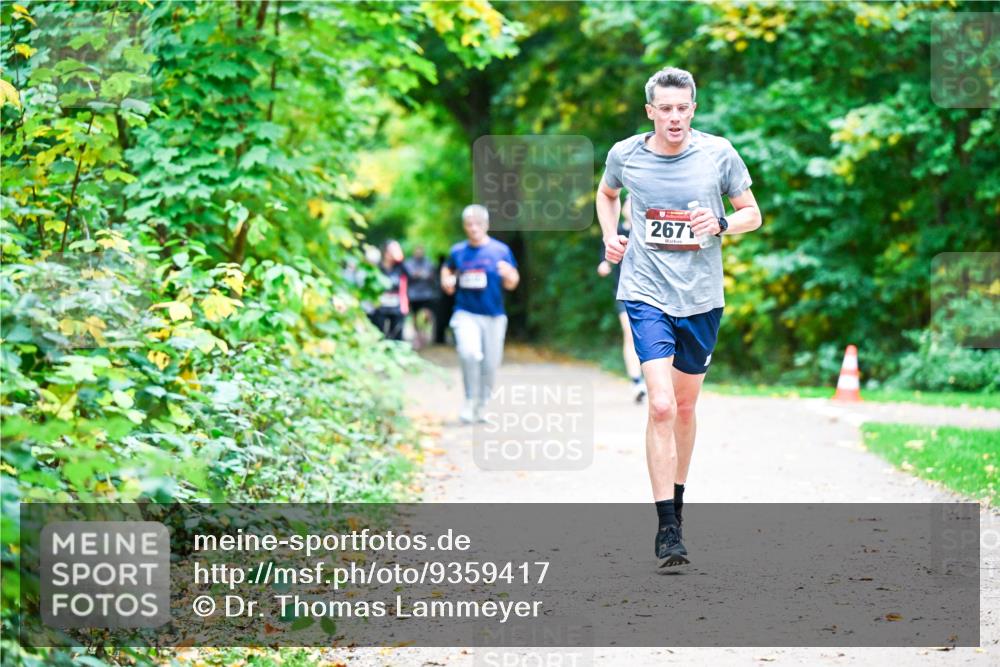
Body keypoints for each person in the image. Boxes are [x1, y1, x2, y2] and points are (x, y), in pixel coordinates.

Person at [597, 67, 762, 568]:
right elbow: (607, 195)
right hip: (646, 292)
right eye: (664, 108)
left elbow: (752, 212)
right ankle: (666, 527)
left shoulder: (719, 153)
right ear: (651, 111)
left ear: (694, 107)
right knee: (662, 406)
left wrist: (723, 223)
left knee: (686, 408)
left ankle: (679, 502)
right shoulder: (626, 155)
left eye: (682, 107)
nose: (674, 117)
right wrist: (610, 234)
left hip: (702, 299)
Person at [440, 204, 520, 423]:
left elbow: (513, 283)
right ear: (465, 226)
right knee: (469, 353)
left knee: (490, 364)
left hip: (494, 315)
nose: (473, 228)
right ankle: (469, 400)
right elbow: (447, 269)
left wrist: (509, 275)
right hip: (466, 313)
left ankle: (483, 405)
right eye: (469, 224)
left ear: (486, 225)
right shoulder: (458, 251)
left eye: (477, 224)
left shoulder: (500, 250)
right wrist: (446, 280)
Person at [596, 193, 645, 403]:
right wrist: (606, 265)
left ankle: (654, 381)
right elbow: (603, 264)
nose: (631, 207)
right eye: (628, 202)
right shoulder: (614, 234)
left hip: (651, 293)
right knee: (630, 334)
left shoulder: (647, 233)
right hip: (624, 293)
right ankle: (636, 382)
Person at [403, 245, 440, 349]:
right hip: (414, 295)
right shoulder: (409, 263)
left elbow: (431, 276)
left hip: (427, 295)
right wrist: (421, 275)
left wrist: (420, 275)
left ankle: (423, 333)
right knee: (415, 316)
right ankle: (418, 335)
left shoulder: (429, 263)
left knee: (427, 315)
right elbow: (410, 275)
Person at [372, 239, 408, 340]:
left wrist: (400, 258)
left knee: (397, 337)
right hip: (379, 307)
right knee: (379, 335)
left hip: (397, 307)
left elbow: (406, 283)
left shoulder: (400, 268)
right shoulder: (377, 268)